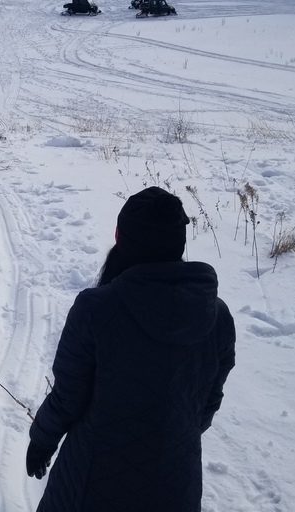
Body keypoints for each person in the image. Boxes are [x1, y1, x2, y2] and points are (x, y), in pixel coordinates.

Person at [26, 186, 235, 512]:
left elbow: (68, 399)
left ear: (120, 237)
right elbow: (206, 404)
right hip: (176, 486)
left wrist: (41, 440)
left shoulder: (95, 309)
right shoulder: (217, 316)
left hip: (90, 484)